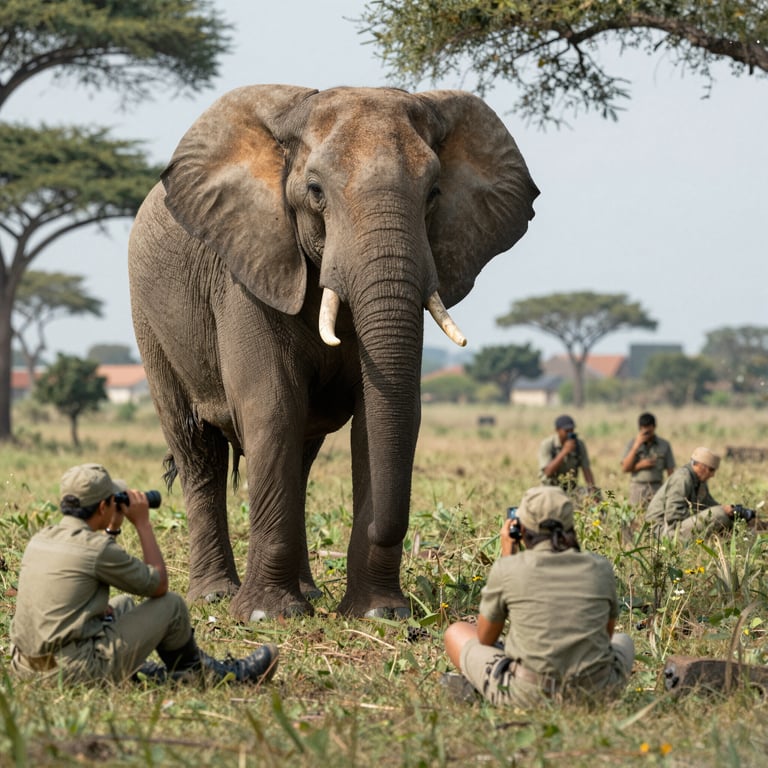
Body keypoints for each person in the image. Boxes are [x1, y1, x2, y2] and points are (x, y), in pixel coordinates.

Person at [10, 463, 279, 686]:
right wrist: (143, 524)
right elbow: (158, 585)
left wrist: (112, 531)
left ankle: (139, 672)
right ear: (104, 507)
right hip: (72, 673)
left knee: (122, 606)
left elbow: (89, 573)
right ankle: (205, 676)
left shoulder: (41, 539)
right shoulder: (95, 549)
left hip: (26, 668)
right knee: (171, 605)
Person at [443, 486, 634, 706]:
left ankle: (481, 688)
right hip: (597, 690)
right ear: (571, 526)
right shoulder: (601, 568)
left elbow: (486, 638)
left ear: (521, 528)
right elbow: (606, 636)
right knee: (623, 640)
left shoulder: (509, 568)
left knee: (455, 632)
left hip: (528, 693)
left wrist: (507, 558)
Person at [645, 447, 744, 541]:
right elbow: (673, 514)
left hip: (675, 527)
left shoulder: (699, 480)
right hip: (662, 531)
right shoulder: (682, 478)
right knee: (718, 515)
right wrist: (716, 511)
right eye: (711, 470)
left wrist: (727, 509)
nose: (712, 475)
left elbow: (707, 504)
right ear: (700, 465)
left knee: (725, 515)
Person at [620, 412, 675, 507]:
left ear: (654, 427)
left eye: (648, 430)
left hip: (657, 487)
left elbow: (671, 471)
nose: (646, 434)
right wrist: (636, 448)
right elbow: (625, 468)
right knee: (636, 517)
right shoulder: (632, 444)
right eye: (644, 430)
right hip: (638, 488)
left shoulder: (664, 445)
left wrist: (670, 490)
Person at [538, 414, 597, 496]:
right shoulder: (548, 445)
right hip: (550, 488)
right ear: (557, 430)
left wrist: (592, 490)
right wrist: (564, 452)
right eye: (566, 431)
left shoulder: (579, 445)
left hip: (571, 488)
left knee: (594, 495)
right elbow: (548, 472)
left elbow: (586, 470)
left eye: (572, 430)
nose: (570, 433)